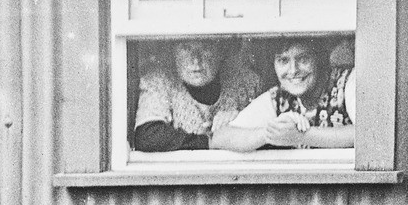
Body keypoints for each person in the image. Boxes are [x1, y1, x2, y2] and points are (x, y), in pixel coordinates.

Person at [214, 37, 356, 152]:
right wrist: (272, 132)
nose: (293, 70)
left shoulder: (347, 81)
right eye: (283, 61)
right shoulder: (280, 96)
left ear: (319, 59)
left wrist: (301, 136)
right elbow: (219, 138)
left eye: (303, 59)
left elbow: (366, 134)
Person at [132, 38, 261, 152]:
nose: (195, 60)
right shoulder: (159, 81)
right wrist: (210, 140)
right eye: (186, 48)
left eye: (205, 48)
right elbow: (147, 136)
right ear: (173, 53)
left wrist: (240, 119)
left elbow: (268, 130)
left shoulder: (245, 80)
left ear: (220, 52)